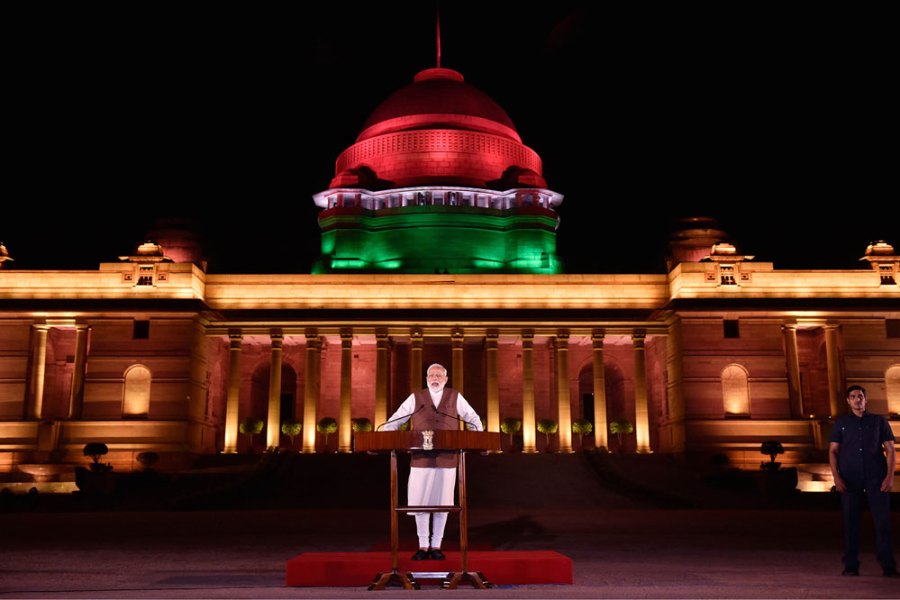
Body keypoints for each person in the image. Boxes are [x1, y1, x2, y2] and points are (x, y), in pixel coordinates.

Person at [380, 363, 483, 561]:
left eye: (439, 375)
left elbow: (471, 417)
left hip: (447, 459)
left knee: (442, 503)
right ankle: (423, 545)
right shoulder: (416, 398)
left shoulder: (455, 396)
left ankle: (436, 545)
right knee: (420, 503)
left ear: (445, 379)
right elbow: (397, 419)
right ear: (426, 378)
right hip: (420, 459)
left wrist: (479, 435)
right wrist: (383, 433)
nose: (435, 378)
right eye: (431, 375)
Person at [828, 384, 898, 577]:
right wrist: (836, 476)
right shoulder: (841, 424)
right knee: (851, 523)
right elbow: (833, 451)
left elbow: (890, 450)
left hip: (877, 477)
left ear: (866, 400)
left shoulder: (878, 422)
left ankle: (888, 566)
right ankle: (851, 565)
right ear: (848, 401)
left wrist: (890, 476)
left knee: (882, 523)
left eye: (860, 396)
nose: (857, 399)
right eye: (853, 396)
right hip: (850, 479)